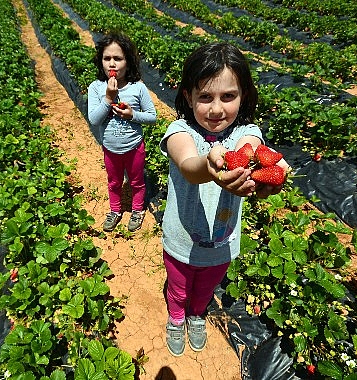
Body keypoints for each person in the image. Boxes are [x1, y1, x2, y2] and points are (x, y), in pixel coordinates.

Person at [159, 42, 289, 356]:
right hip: (181, 239)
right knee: (178, 287)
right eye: (205, 97)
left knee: (205, 288)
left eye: (228, 96)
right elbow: (190, 167)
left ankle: (196, 314)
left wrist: (274, 172)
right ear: (188, 97)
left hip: (223, 241)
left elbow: (251, 149)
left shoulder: (246, 134)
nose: (217, 109)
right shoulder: (180, 132)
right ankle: (177, 317)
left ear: (243, 95)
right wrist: (211, 165)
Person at [88, 32, 157, 232]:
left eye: (118, 59)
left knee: (136, 181)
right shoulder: (96, 88)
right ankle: (115, 210)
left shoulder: (138, 88)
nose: (112, 64)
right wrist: (108, 98)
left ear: (128, 62)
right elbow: (94, 119)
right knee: (114, 181)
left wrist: (132, 115)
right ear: (100, 61)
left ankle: (137, 210)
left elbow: (152, 117)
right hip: (110, 148)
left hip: (134, 146)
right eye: (107, 58)